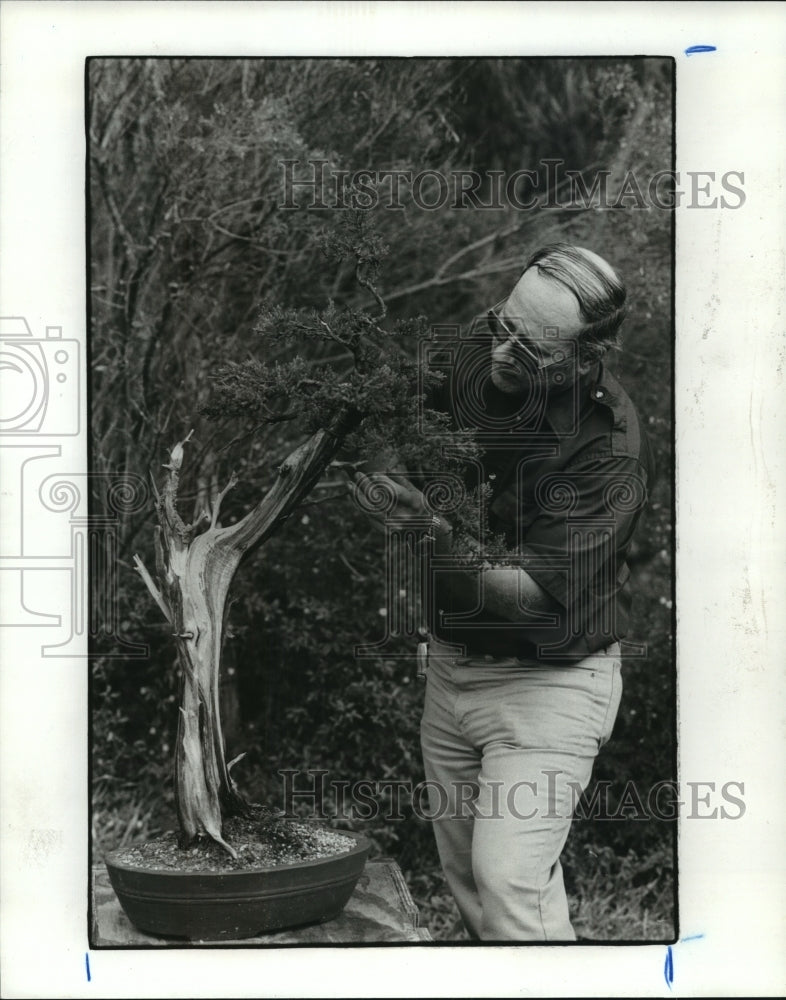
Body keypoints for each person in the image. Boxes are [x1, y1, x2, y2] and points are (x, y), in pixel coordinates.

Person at [351, 244, 654, 941]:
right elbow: (390, 416)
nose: (503, 352)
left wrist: (423, 527)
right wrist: (384, 468)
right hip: (452, 669)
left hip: (550, 687)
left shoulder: (608, 449)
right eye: (503, 325)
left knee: (509, 882)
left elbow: (527, 598)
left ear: (586, 356)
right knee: (472, 888)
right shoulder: (487, 349)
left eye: (532, 348)